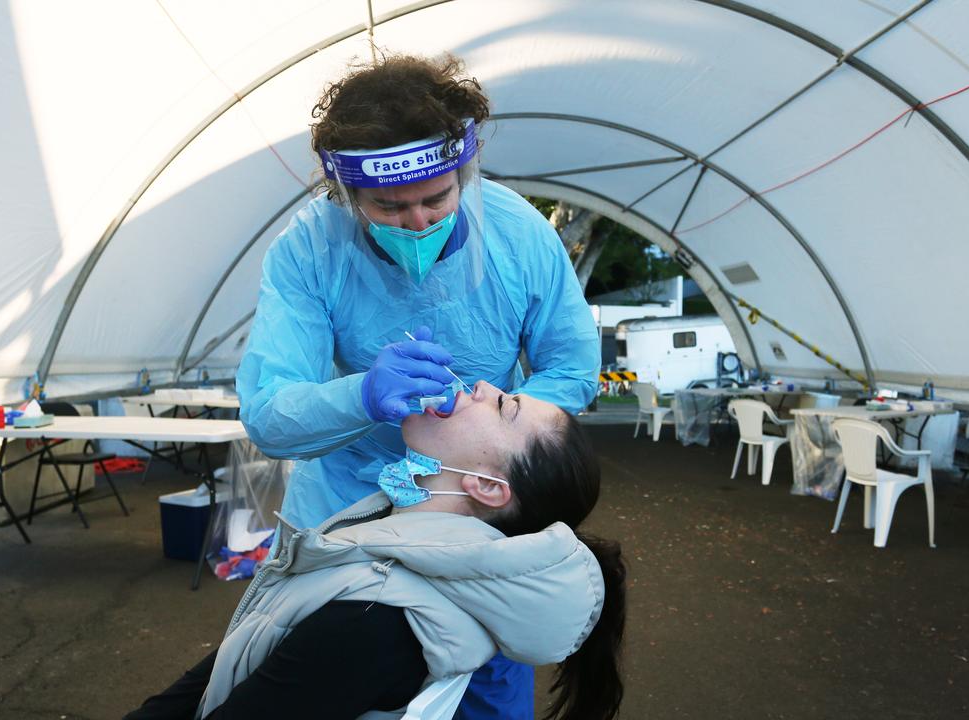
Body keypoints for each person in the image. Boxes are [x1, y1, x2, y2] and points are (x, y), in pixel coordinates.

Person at [236, 53, 600, 716]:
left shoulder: (519, 237)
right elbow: (268, 414)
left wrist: (494, 434)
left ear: (466, 170)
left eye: (437, 197)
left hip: (478, 518)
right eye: (389, 207)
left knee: (485, 687)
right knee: (330, 682)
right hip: (350, 515)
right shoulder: (309, 251)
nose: (419, 221)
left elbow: (572, 370)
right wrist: (360, 398)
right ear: (346, 194)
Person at [126, 382, 625, 720]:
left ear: (487, 487)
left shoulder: (379, 618)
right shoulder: (394, 545)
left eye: (504, 406)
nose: (484, 387)